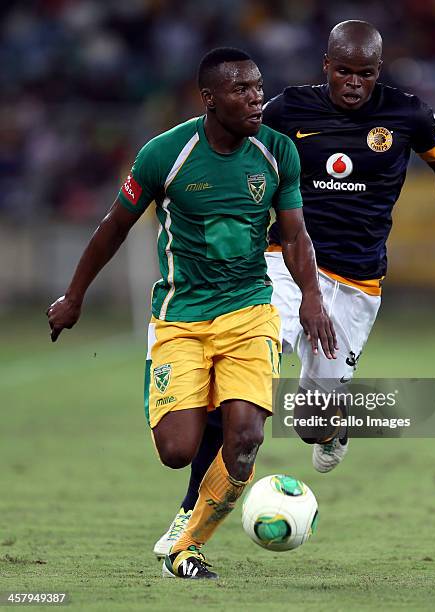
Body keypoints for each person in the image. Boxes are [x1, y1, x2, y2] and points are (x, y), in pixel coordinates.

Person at [153, 21, 435, 558]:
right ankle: (189, 513)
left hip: (357, 283)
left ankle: (333, 431)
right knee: (244, 383)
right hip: (283, 265)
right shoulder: (290, 110)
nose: (353, 82)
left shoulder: (408, 114)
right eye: (343, 71)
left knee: (313, 423)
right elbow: (228, 139)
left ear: (378, 71)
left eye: (365, 73)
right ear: (326, 66)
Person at [46, 47, 336, 580]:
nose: (256, 98)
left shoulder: (277, 152)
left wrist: (312, 297)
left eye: (258, 87)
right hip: (181, 318)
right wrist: (74, 296)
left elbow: (294, 234)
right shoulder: (165, 154)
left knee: (245, 439)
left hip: (250, 311)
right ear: (209, 99)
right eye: (242, 90)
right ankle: (205, 410)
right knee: (176, 451)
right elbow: (113, 227)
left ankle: (188, 544)